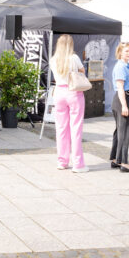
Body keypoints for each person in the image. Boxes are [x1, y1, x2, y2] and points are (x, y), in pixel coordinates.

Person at [50, 34, 88, 173]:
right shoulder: (74, 58)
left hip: (59, 92)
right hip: (73, 92)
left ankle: (62, 161)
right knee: (76, 129)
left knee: (61, 129)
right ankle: (78, 164)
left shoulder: (53, 59)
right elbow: (83, 72)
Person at [110, 42, 129, 172]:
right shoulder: (120, 67)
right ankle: (124, 163)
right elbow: (120, 88)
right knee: (124, 132)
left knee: (119, 131)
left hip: (125, 98)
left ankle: (116, 159)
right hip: (122, 100)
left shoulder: (127, 65)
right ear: (120, 52)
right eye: (126, 51)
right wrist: (124, 106)